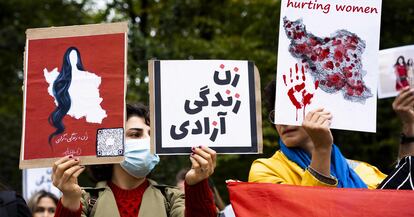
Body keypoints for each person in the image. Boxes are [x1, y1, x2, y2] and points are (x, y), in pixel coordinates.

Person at [52, 103, 217, 217]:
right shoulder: (85, 202)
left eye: (151, 136)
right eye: (135, 134)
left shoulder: (172, 198)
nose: (147, 141)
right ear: (111, 142)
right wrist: (70, 199)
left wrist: (197, 185)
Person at [249, 80, 388, 188]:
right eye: (278, 115)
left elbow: (401, 200)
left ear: (323, 112)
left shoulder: (364, 171)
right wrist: (321, 149)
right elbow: (311, 210)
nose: (283, 122)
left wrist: (409, 129)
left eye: (293, 110)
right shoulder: (265, 171)